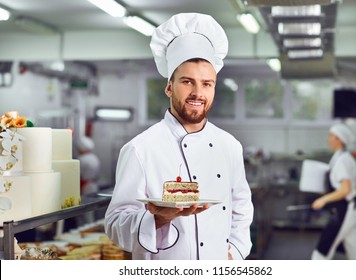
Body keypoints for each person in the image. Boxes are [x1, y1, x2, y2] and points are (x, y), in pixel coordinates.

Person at [105, 13, 254, 260]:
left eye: (207, 84)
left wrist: (233, 256)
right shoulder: (141, 149)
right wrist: (157, 218)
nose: (198, 92)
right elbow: (114, 224)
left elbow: (241, 209)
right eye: (188, 82)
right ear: (169, 87)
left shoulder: (229, 146)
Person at [311, 123, 356, 260]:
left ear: (339, 139)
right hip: (352, 211)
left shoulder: (342, 160)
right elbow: (355, 188)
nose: (328, 139)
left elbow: (345, 189)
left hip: (344, 213)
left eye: (331, 136)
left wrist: (323, 200)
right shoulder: (345, 157)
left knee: (320, 254)